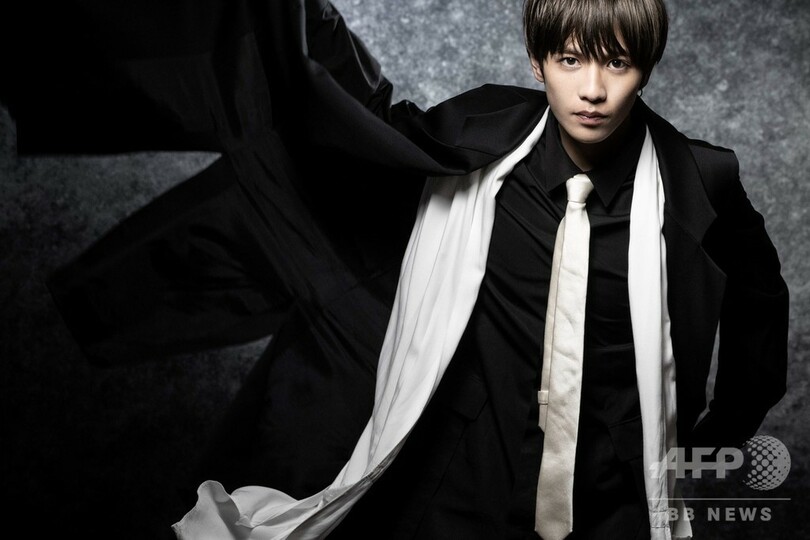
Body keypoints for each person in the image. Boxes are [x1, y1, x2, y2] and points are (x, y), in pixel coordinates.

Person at [6, 0, 787, 539]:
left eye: (616, 64)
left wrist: (706, 444)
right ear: (538, 60)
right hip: (459, 472)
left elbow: (760, 314)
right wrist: (294, 18)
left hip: (614, 495)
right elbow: (353, 124)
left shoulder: (702, 179)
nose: (591, 89)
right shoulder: (482, 133)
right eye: (570, 59)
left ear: (646, 67)